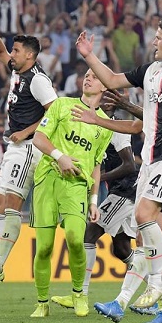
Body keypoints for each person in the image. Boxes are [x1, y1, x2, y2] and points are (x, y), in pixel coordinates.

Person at [74, 18, 162, 323]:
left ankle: (157, 287)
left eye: (160, 38)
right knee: (150, 231)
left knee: (142, 214)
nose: (154, 42)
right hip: (150, 161)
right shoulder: (150, 73)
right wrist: (88, 56)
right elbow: (111, 79)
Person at [0, 26, 57, 288]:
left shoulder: (38, 79)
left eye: (16, 50)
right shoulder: (19, 70)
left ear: (30, 55)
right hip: (14, 147)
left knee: (12, 204)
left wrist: (26, 131)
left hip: (28, 147)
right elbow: (0, 52)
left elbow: (55, 111)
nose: (11, 55)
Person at [26, 70, 112, 318]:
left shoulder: (103, 125)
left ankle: (78, 294)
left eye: (94, 77)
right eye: (86, 75)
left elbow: (96, 165)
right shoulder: (62, 105)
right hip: (46, 180)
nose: (87, 78)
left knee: (76, 239)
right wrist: (60, 156)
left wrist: (95, 200)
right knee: (43, 249)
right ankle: (42, 302)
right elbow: (39, 138)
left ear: (104, 86)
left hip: (76, 186)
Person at [49, 90, 138, 311]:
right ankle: (157, 285)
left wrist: (98, 179)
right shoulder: (100, 126)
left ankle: (81, 294)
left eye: (109, 98)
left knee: (90, 233)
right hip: (124, 191)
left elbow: (130, 165)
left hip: (126, 191)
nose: (105, 102)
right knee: (121, 248)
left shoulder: (115, 127)